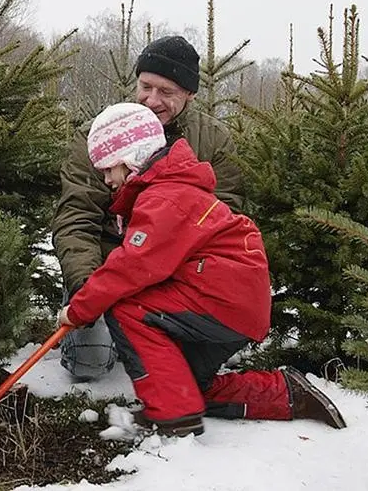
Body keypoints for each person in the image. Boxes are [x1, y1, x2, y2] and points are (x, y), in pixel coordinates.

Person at [56, 102, 347, 437]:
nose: (106, 180)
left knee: (127, 308)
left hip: (220, 301)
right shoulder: (169, 189)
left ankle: (174, 418)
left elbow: (131, 267)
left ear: (131, 158)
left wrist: (79, 309)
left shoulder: (164, 197)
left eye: (109, 169)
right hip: (235, 305)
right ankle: (286, 394)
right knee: (183, 386)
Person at [52, 35, 244, 381]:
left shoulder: (213, 141)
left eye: (166, 92)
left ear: (190, 94)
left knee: (186, 366)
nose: (152, 100)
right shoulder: (99, 136)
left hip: (176, 273)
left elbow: (224, 220)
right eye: (145, 87)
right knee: (89, 363)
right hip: (107, 267)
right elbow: (76, 217)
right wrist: (86, 289)